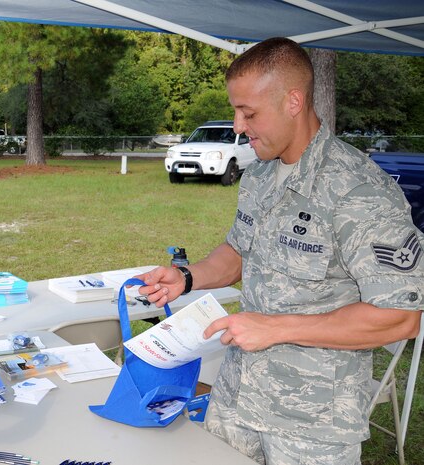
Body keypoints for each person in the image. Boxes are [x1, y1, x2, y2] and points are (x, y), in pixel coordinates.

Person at [138, 37, 422, 464]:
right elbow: (239, 249)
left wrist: (275, 327)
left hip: (311, 423)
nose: (237, 126)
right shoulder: (260, 174)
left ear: (293, 101)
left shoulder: (361, 192)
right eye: (236, 110)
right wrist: (189, 276)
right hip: (237, 397)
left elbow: (399, 318)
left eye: (249, 113)